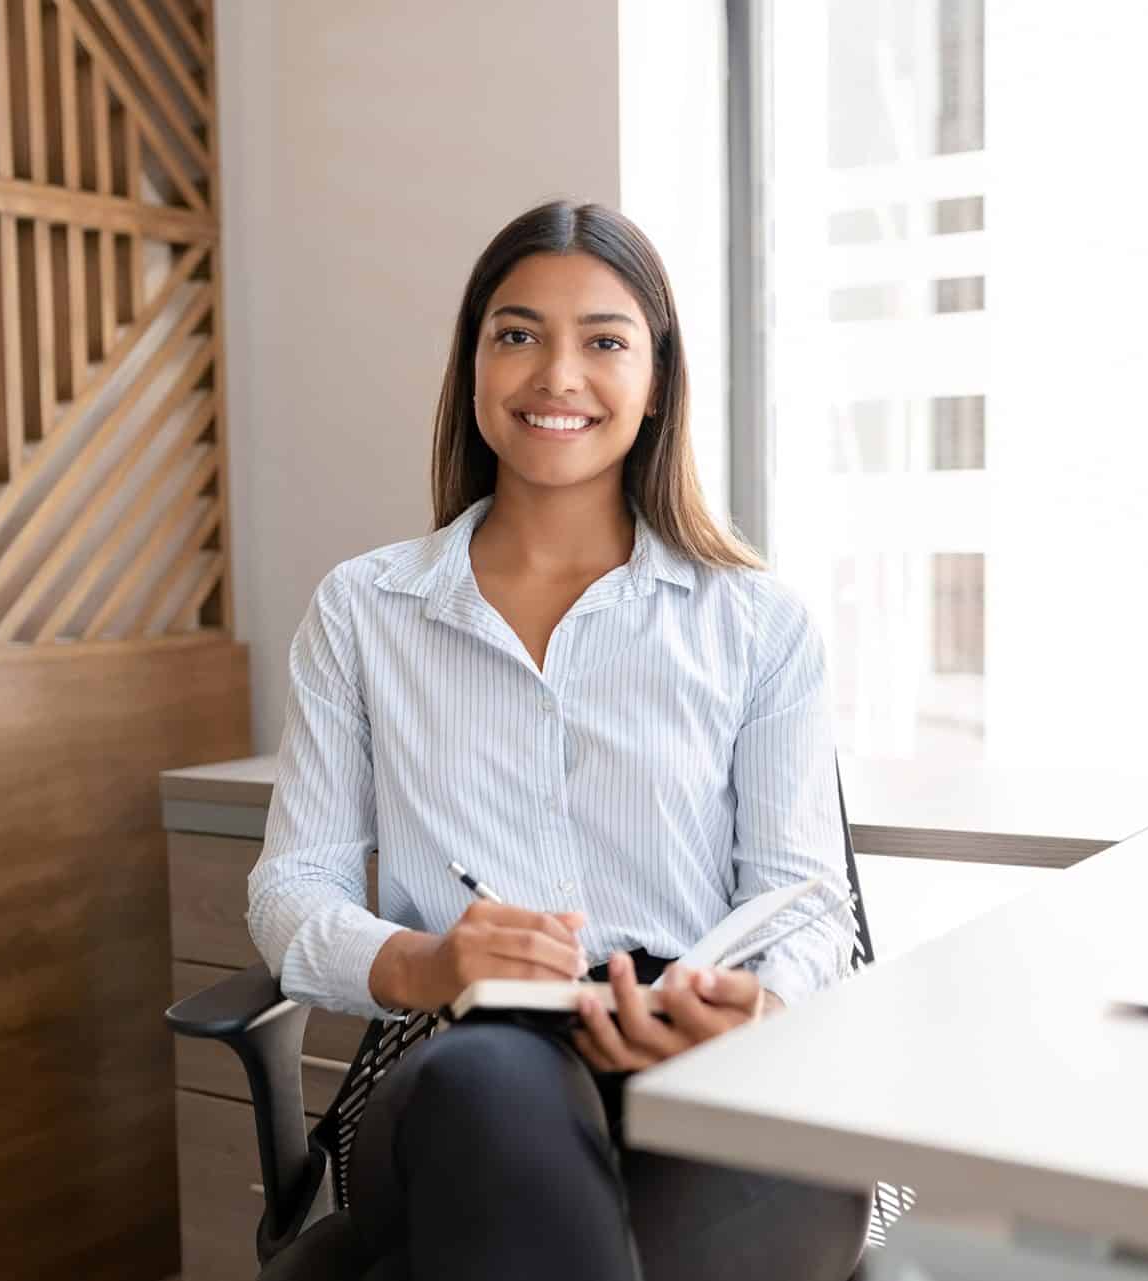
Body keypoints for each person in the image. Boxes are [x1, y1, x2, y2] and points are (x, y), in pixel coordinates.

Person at [246, 199, 869, 1281]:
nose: (557, 376)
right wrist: (422, 959)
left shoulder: (757, 623)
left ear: (658, 379)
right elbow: (291, 887)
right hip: (468, 1052)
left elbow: (810, 899)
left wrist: (755, 1008)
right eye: (518, 334)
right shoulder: (365, 609)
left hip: (711, 1062)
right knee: (494, 1103)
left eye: (605, 341)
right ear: (475, 363)